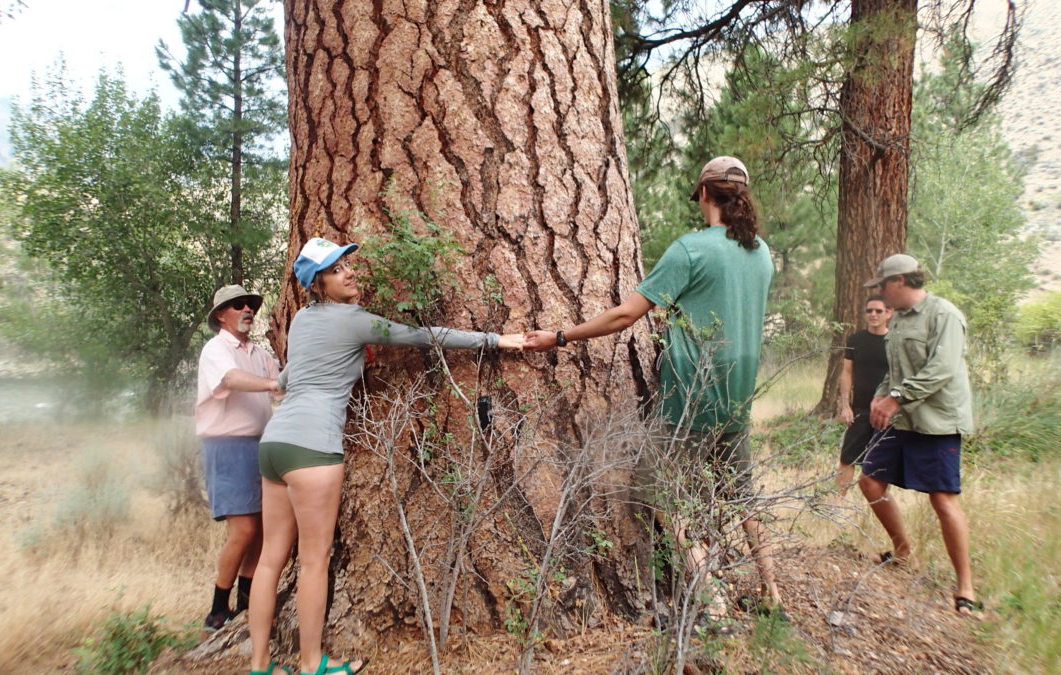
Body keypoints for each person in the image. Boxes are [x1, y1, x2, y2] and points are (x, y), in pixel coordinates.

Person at [525, 155, 785, 623]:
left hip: (691, 395)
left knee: (655, 487)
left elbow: (626, 315)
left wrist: (560, 336)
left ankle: (713, 600)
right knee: (743, 496)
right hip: (738, 395)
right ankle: (773, 595)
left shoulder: (691, 250)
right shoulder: (761, 251)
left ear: (704, 194)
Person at [249, 238, 524, 675]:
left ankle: (261, 665)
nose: (351, 272)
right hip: (312, 447)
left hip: (273, 444)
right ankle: (311, 664)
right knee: (314, 561)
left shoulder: (301, 319)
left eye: (347, 265)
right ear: (318, 283)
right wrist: (496, 339)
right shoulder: (354, 321)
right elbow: (424, 337)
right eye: (338, 270)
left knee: (269, 559)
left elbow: (287, 377)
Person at [862, 253, 980, 616]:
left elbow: (942, 369)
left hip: (936, 421)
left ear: (899, 281)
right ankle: (903, 553)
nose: (880, 294)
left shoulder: (944, 314)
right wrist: (881, 395)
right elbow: (896, 369)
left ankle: (966, 589)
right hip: (901, 419)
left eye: (883, 285)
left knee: (943, 500)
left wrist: (895, 398)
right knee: (870, 481)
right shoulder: (897, 321)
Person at [196, 284, 280, 630]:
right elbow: (232, 379)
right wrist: (271, 385)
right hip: (227, 446)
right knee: (243, 529)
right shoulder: (216, 349)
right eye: (237, 305)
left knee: (260, 529)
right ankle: (218, 608)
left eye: (250, 304)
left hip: (260, 444)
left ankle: (246, 603)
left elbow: (282, 382)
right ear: (221, 314)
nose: (247, 309)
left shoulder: (258, 353)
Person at [836, 295, 892, 495]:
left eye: (878, 311)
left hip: (887, 411)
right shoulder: (855, 340)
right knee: (847, 457)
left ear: (889, 313)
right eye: (869, 311)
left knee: (882, 461)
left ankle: (879, 501)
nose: (873, 315)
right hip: (859, 408)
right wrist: (845, 406)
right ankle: (838, 503)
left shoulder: (894, 341)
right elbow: (847, 372)